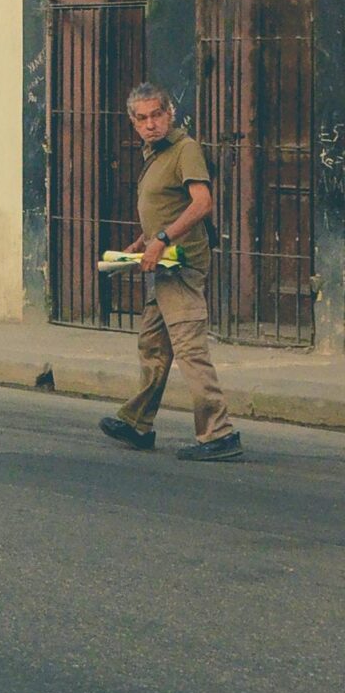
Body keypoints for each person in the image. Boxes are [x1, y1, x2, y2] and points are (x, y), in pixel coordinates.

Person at [100, 83, 245, 462]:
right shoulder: (156, 154)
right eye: (143, 118)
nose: (151, 124)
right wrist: (142, 242)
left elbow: (202, 203)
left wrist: (161, 238)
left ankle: (219, 433)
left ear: (170, 113)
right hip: (161, 264)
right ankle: (138, 422)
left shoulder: (185, 149)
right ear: (133, 123)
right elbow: (166, 205)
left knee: (190, 350)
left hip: (180, 266)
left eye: (157, 115)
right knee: (153, 347)